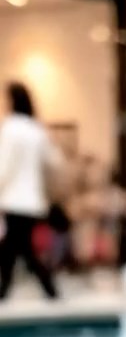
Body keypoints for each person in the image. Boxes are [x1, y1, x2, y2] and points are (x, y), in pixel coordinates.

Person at [0, 82, 61, 301]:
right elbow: (54, 161)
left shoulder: (10, 128)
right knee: (17, 247)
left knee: (17, 248)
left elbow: (3, 166)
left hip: (14, 200)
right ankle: (45, 289)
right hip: (33, 201)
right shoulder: (36, 130)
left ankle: (47, 288)